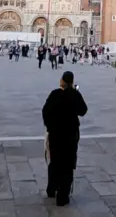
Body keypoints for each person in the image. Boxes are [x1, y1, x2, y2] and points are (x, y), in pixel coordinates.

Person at [42, 71, 88, 207]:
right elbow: (83, 111)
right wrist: (75, 93)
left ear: (62, 80)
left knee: (54, 161)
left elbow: (45, 112)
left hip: (55, 134)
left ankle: (51, 189)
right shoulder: (75, 95)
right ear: (72, 82)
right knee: (67, 164)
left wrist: (50, 127)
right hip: (70, 134)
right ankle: (62, 196)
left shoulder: (54, 94)